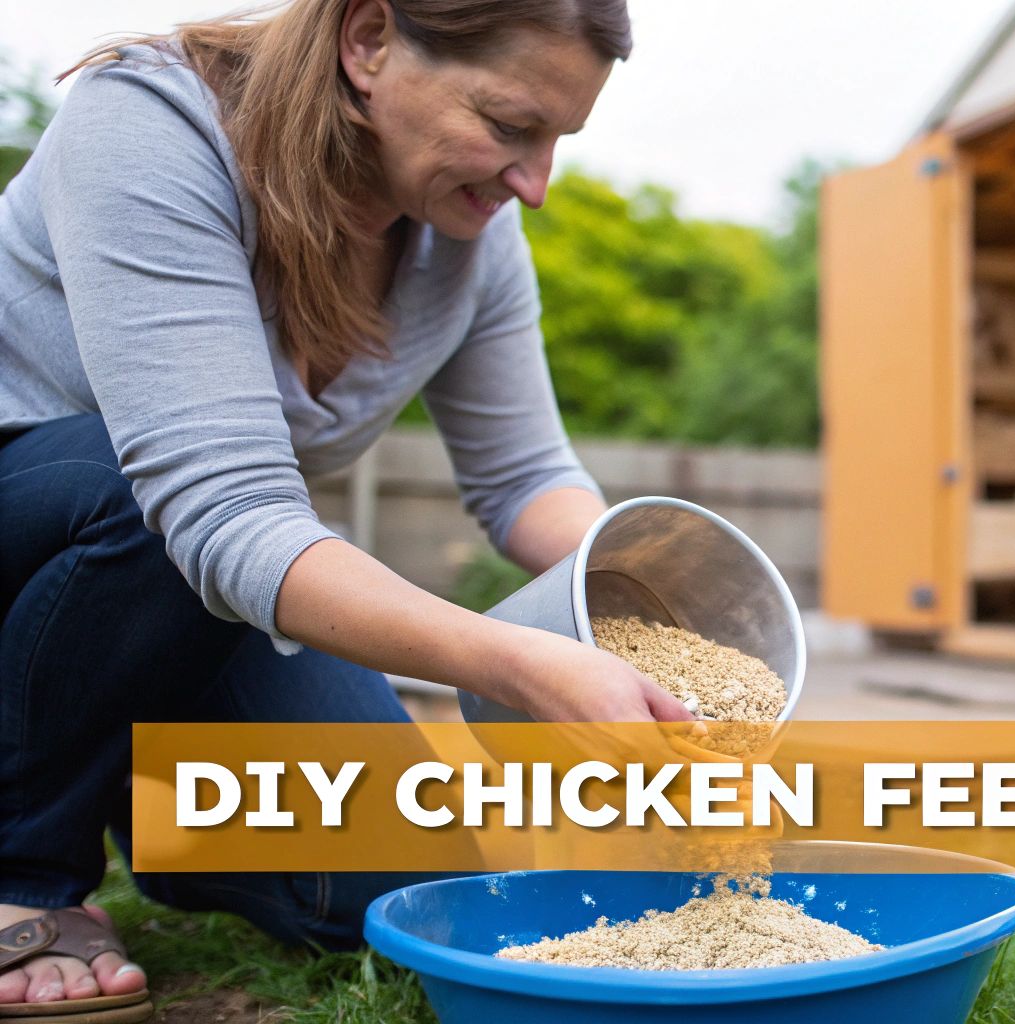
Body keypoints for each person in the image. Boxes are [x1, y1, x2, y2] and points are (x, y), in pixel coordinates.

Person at [0, 0, 693, 1015]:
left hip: (179, 592)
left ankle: (111, 769)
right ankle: (23, 872)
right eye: (509, 125)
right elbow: (221, 508)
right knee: (143, 494)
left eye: (556, 138)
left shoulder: (468, 233)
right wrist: (524, 660)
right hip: (64, 522)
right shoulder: (147, 127)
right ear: (369, 41)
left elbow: (524, 475)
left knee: (395, 878)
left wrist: (654, 607)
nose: (535, 184)